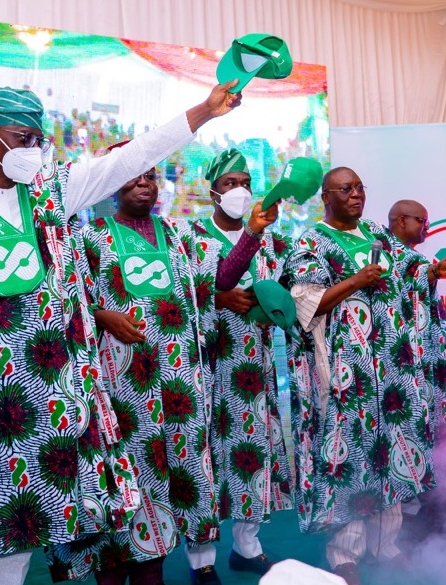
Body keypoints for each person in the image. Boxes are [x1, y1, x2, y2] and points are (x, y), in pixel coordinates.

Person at [0, 81, 241, 584]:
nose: (32, 149)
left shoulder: (52, 191)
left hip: (49, 390)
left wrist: (204, 111)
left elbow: (134, 155)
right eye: (22, 138)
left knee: (30, 512)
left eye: (39, 139)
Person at [46, 144, 280, 584]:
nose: (143, 183)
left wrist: (251, 233)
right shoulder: (87, 238)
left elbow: (221, 279)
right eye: (132, 176)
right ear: (111, 184)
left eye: (150, 176)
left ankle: (159, 568)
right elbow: (61, 299)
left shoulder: (180, 235)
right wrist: (102, 316)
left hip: (179, 385)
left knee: (176, 479)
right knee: (124, 480)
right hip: (120, 388)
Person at [285, 167, 440, 585]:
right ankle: (345, 553)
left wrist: (435, 271)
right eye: (346, 189)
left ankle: (385, 545)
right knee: (350, 455)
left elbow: (411, 270)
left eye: (359, 188)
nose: (356, 195)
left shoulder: (376, 234)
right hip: (344, 371)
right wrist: (356, 281)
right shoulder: (310, 243)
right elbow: (308, 305)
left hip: (389, 369)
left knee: (390, 450)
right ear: (326, 196)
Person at [186, 149, 294, 585]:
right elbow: (181, 292)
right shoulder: (191, 237)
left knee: (253, 452)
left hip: (254, 368)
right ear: (212, 191)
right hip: (207, 366)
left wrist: (275, 308)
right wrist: (218, 297)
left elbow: (286, 291)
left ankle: (246, 548)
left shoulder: (272, 241)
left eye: (246, 182)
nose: (240, 190)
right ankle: (201, 559)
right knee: (205, 458)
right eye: (230, 183)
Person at [386, 200, 446, 541]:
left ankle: (432, 502)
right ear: (401, 221)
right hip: (401, 367)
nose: (426, 228)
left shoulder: (414, 258)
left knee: (432, 432)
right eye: (422, 221)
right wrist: (433, 272)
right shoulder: (384, 257)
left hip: (427, 362)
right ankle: (408, 513)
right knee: (407, 433)